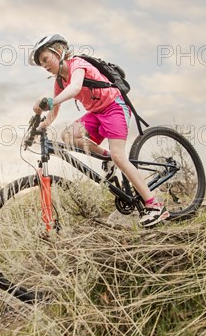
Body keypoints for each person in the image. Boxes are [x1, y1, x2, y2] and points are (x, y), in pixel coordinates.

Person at [29, 34, 169, 227]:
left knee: (121, 157)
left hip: (114, 107)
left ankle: (154, 206)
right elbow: (53, 114)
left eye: (45, 59)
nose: (44, 65)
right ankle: (108, 157)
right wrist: (38, 127)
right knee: (68, 136)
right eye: (41, 64)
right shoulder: (59, 81)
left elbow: (76, 87)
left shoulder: (77, 64)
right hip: (96, 113)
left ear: (59, 52)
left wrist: (51, 100)